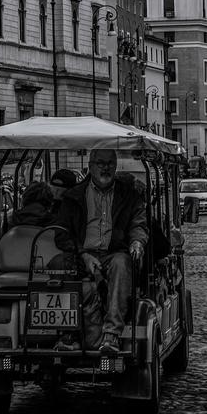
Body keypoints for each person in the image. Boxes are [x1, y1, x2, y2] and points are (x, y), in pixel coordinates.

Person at [56, 148, 147, 355]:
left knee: (122, 263)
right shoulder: (74, 196)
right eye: (100, 163)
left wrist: (137, 242)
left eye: (110, 164)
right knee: (58, 263)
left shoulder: (129, 195)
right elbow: (61, 234)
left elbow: (139, 224)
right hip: (81, 255)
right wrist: (82, 254)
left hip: (113, 254)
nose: (105, 168)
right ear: (90, 166)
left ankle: (111, 333)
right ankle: (68, 331)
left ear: (115, 167)